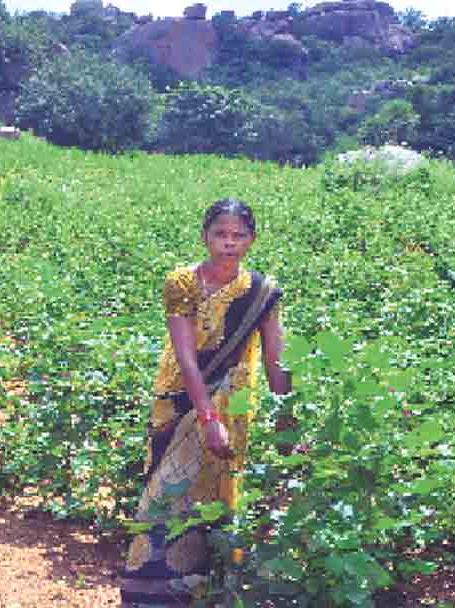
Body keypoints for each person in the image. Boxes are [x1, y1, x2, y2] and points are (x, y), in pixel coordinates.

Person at [119, 198, 291, 606]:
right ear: (205, 236)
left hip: (232, 406)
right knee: (164, 491)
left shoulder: (263, 292)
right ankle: (151, 592)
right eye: (220, 234)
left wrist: (288, 422)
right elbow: (187, 359)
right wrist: (206, 417)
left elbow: (275, 361)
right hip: (181, 403)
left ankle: (206, 590)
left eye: (239, 235)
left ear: (251, 240)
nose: (228, 243)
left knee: (217, 495)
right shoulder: (182, 282)